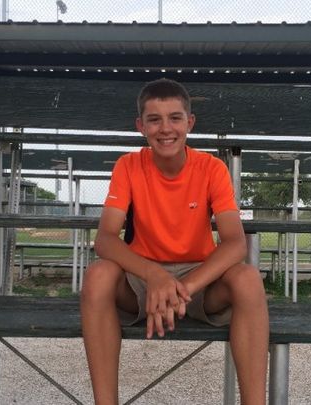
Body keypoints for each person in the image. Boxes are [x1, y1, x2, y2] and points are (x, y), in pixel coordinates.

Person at [80, 78, 269, 405]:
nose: (165, 129)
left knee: (248, 279)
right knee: (98, 274)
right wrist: (155, 276)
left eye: (175, 118)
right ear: (141, 126)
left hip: (199, 281)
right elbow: (106, 240)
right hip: (142, 280)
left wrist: (182, 288)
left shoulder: (212, 168)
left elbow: (235, 243)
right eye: (154, 119)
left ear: (190, 123)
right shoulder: (128, 166)